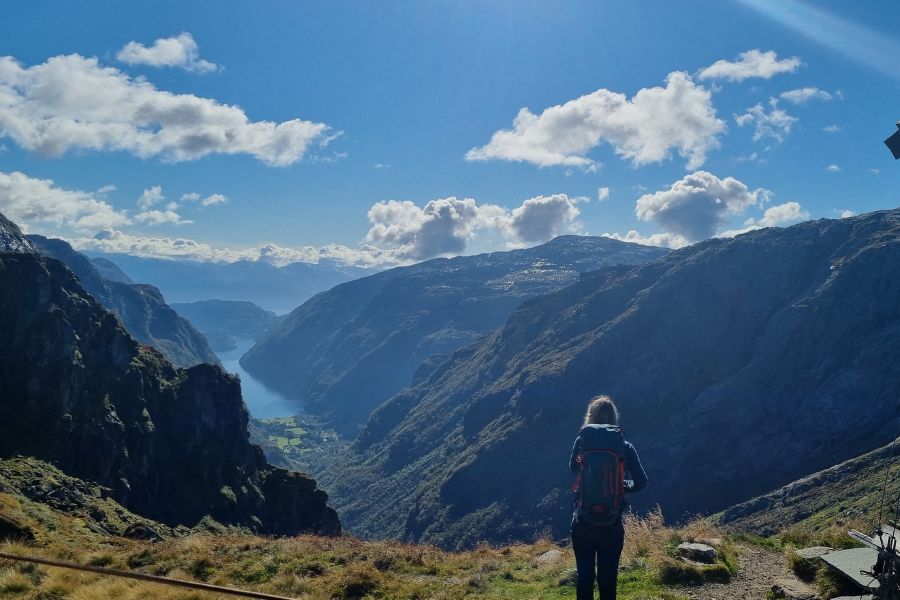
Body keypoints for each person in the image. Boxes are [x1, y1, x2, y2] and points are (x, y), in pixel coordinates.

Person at [569, 395, 647, 600]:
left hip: (582, 522)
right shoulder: (624, 446)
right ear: (614, 417)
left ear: (590, 417)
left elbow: (573, 468)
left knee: (585, 577)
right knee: (608, 580)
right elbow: (641, 482)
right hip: (611, 525)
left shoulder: (581, 441)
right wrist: (622, 485)